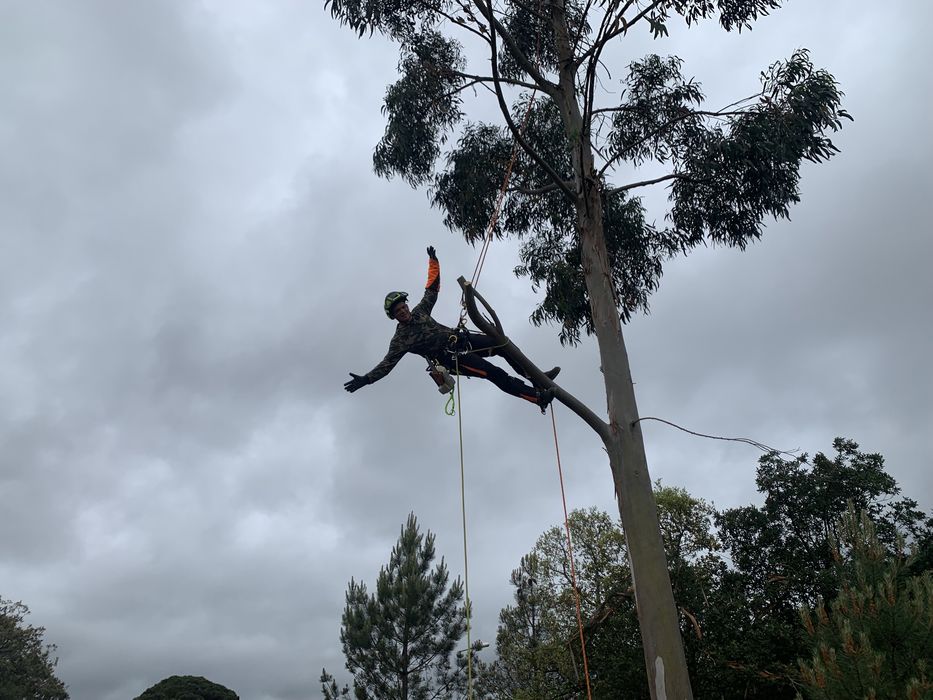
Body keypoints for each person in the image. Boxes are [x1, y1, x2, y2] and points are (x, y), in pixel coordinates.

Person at [344, 246, 559, 411]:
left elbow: (432, 289)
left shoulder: (420, 311)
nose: (402, 311)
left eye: (403, 306)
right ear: (393, 316)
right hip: (451, 359)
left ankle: (536, 377)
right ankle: (537, 398)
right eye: (397, 311)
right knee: (494, 373)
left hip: (461, 340)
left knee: (502, 344)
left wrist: (433, 261)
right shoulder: (400, 340)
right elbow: (386, 365)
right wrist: (366, 379)